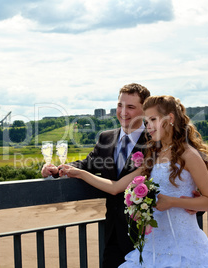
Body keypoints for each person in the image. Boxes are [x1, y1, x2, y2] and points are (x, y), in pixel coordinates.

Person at [59, 95, 208, 267]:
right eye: (146, 121)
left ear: (170, 119)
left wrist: (172, 202)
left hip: (184, 248)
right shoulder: (154, 154)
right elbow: (116, 187)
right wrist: (80, 173)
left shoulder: (188, 155)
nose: (148, 126)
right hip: (152, 248)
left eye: (153, 119)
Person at [42, 83, 151, 267]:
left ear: (145, 109)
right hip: (113, 234)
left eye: (131, 107)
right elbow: (86, 164)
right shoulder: (106, 137)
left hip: (147, 234)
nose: (123, 112)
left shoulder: (154, 139)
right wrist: (58, 170)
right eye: (120, 105)